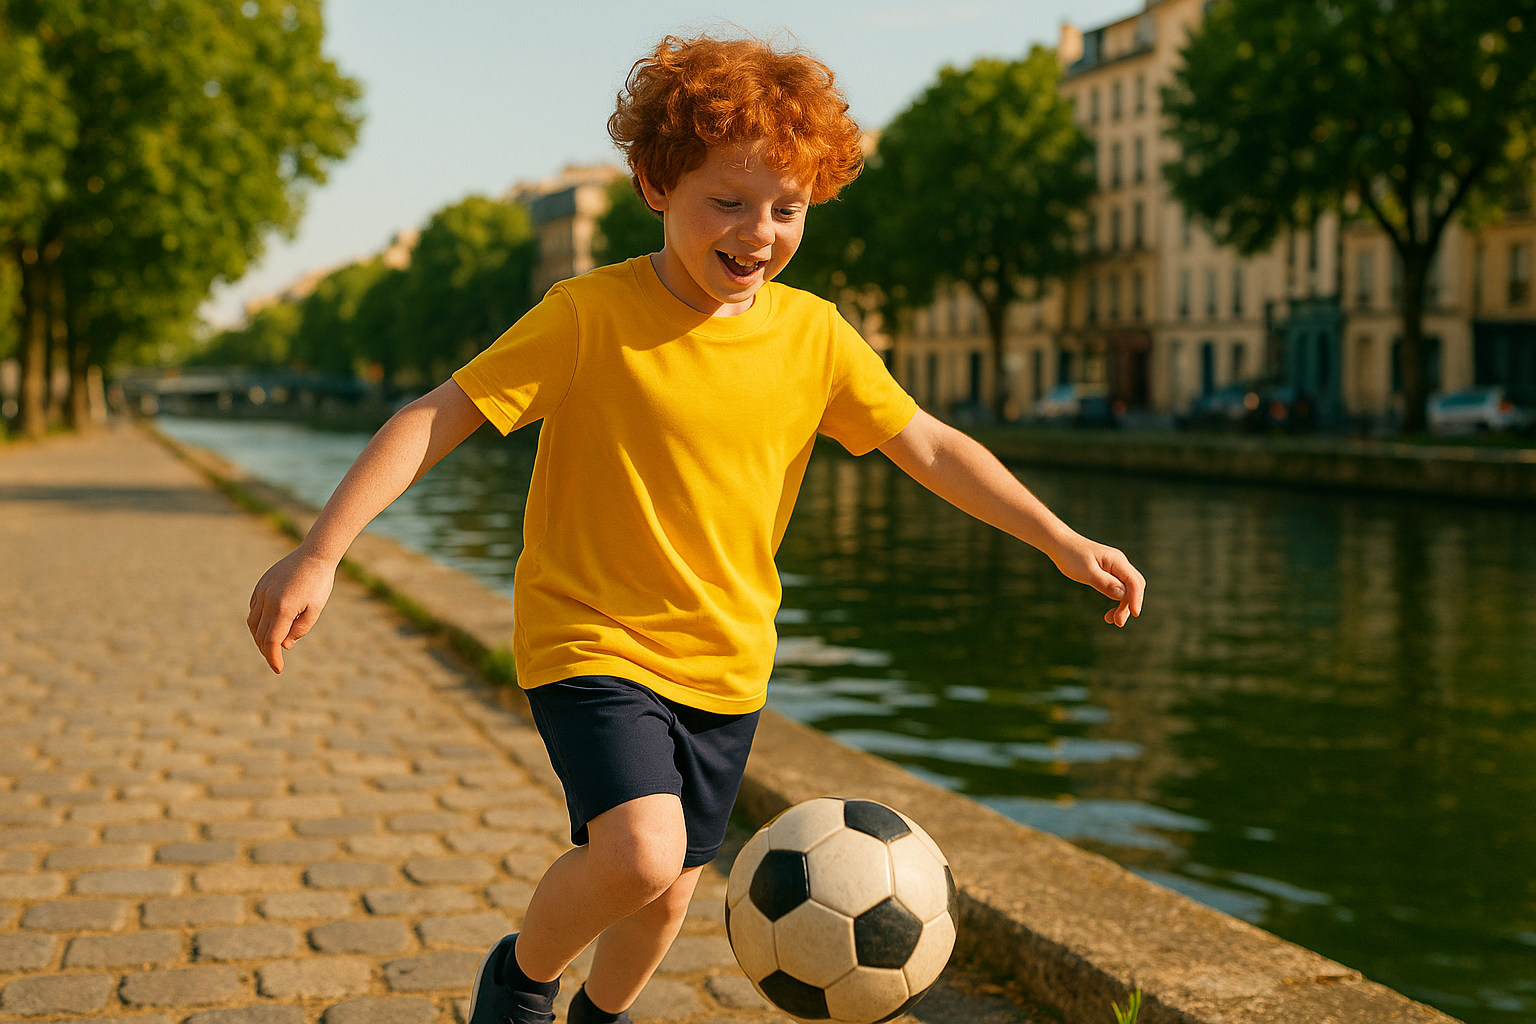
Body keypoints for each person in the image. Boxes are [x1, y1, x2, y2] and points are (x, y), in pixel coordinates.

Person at [246, 33, 1145, 1024]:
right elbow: (438, 413)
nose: (758, 231)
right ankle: (519, 986)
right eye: (729, 201)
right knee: (636, 851)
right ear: (654, 185)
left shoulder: (816, 337)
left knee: (671, 886)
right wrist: (321, 550)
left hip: (725, 657)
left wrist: (1060, 537)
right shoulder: (588, 315)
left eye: (787, 208)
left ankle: (601, 1016)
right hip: (589, 634)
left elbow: (927, 445)